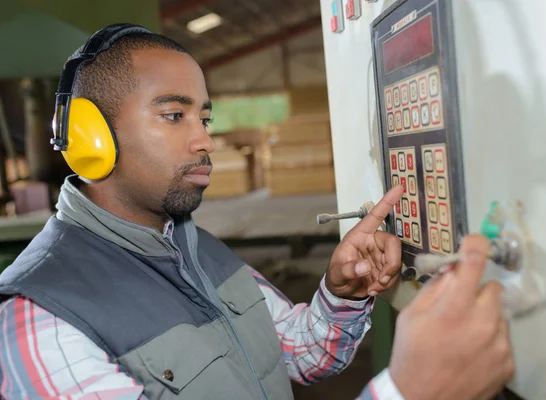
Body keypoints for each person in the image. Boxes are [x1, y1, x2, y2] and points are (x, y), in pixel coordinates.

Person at [0, 25, 513, 399]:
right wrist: (408, 392)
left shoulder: (197, 250)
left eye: (204, 117)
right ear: (91, 138)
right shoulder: (42, 322)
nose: (205, 140)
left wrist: (340, 295)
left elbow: (299, 354)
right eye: (174, 115)